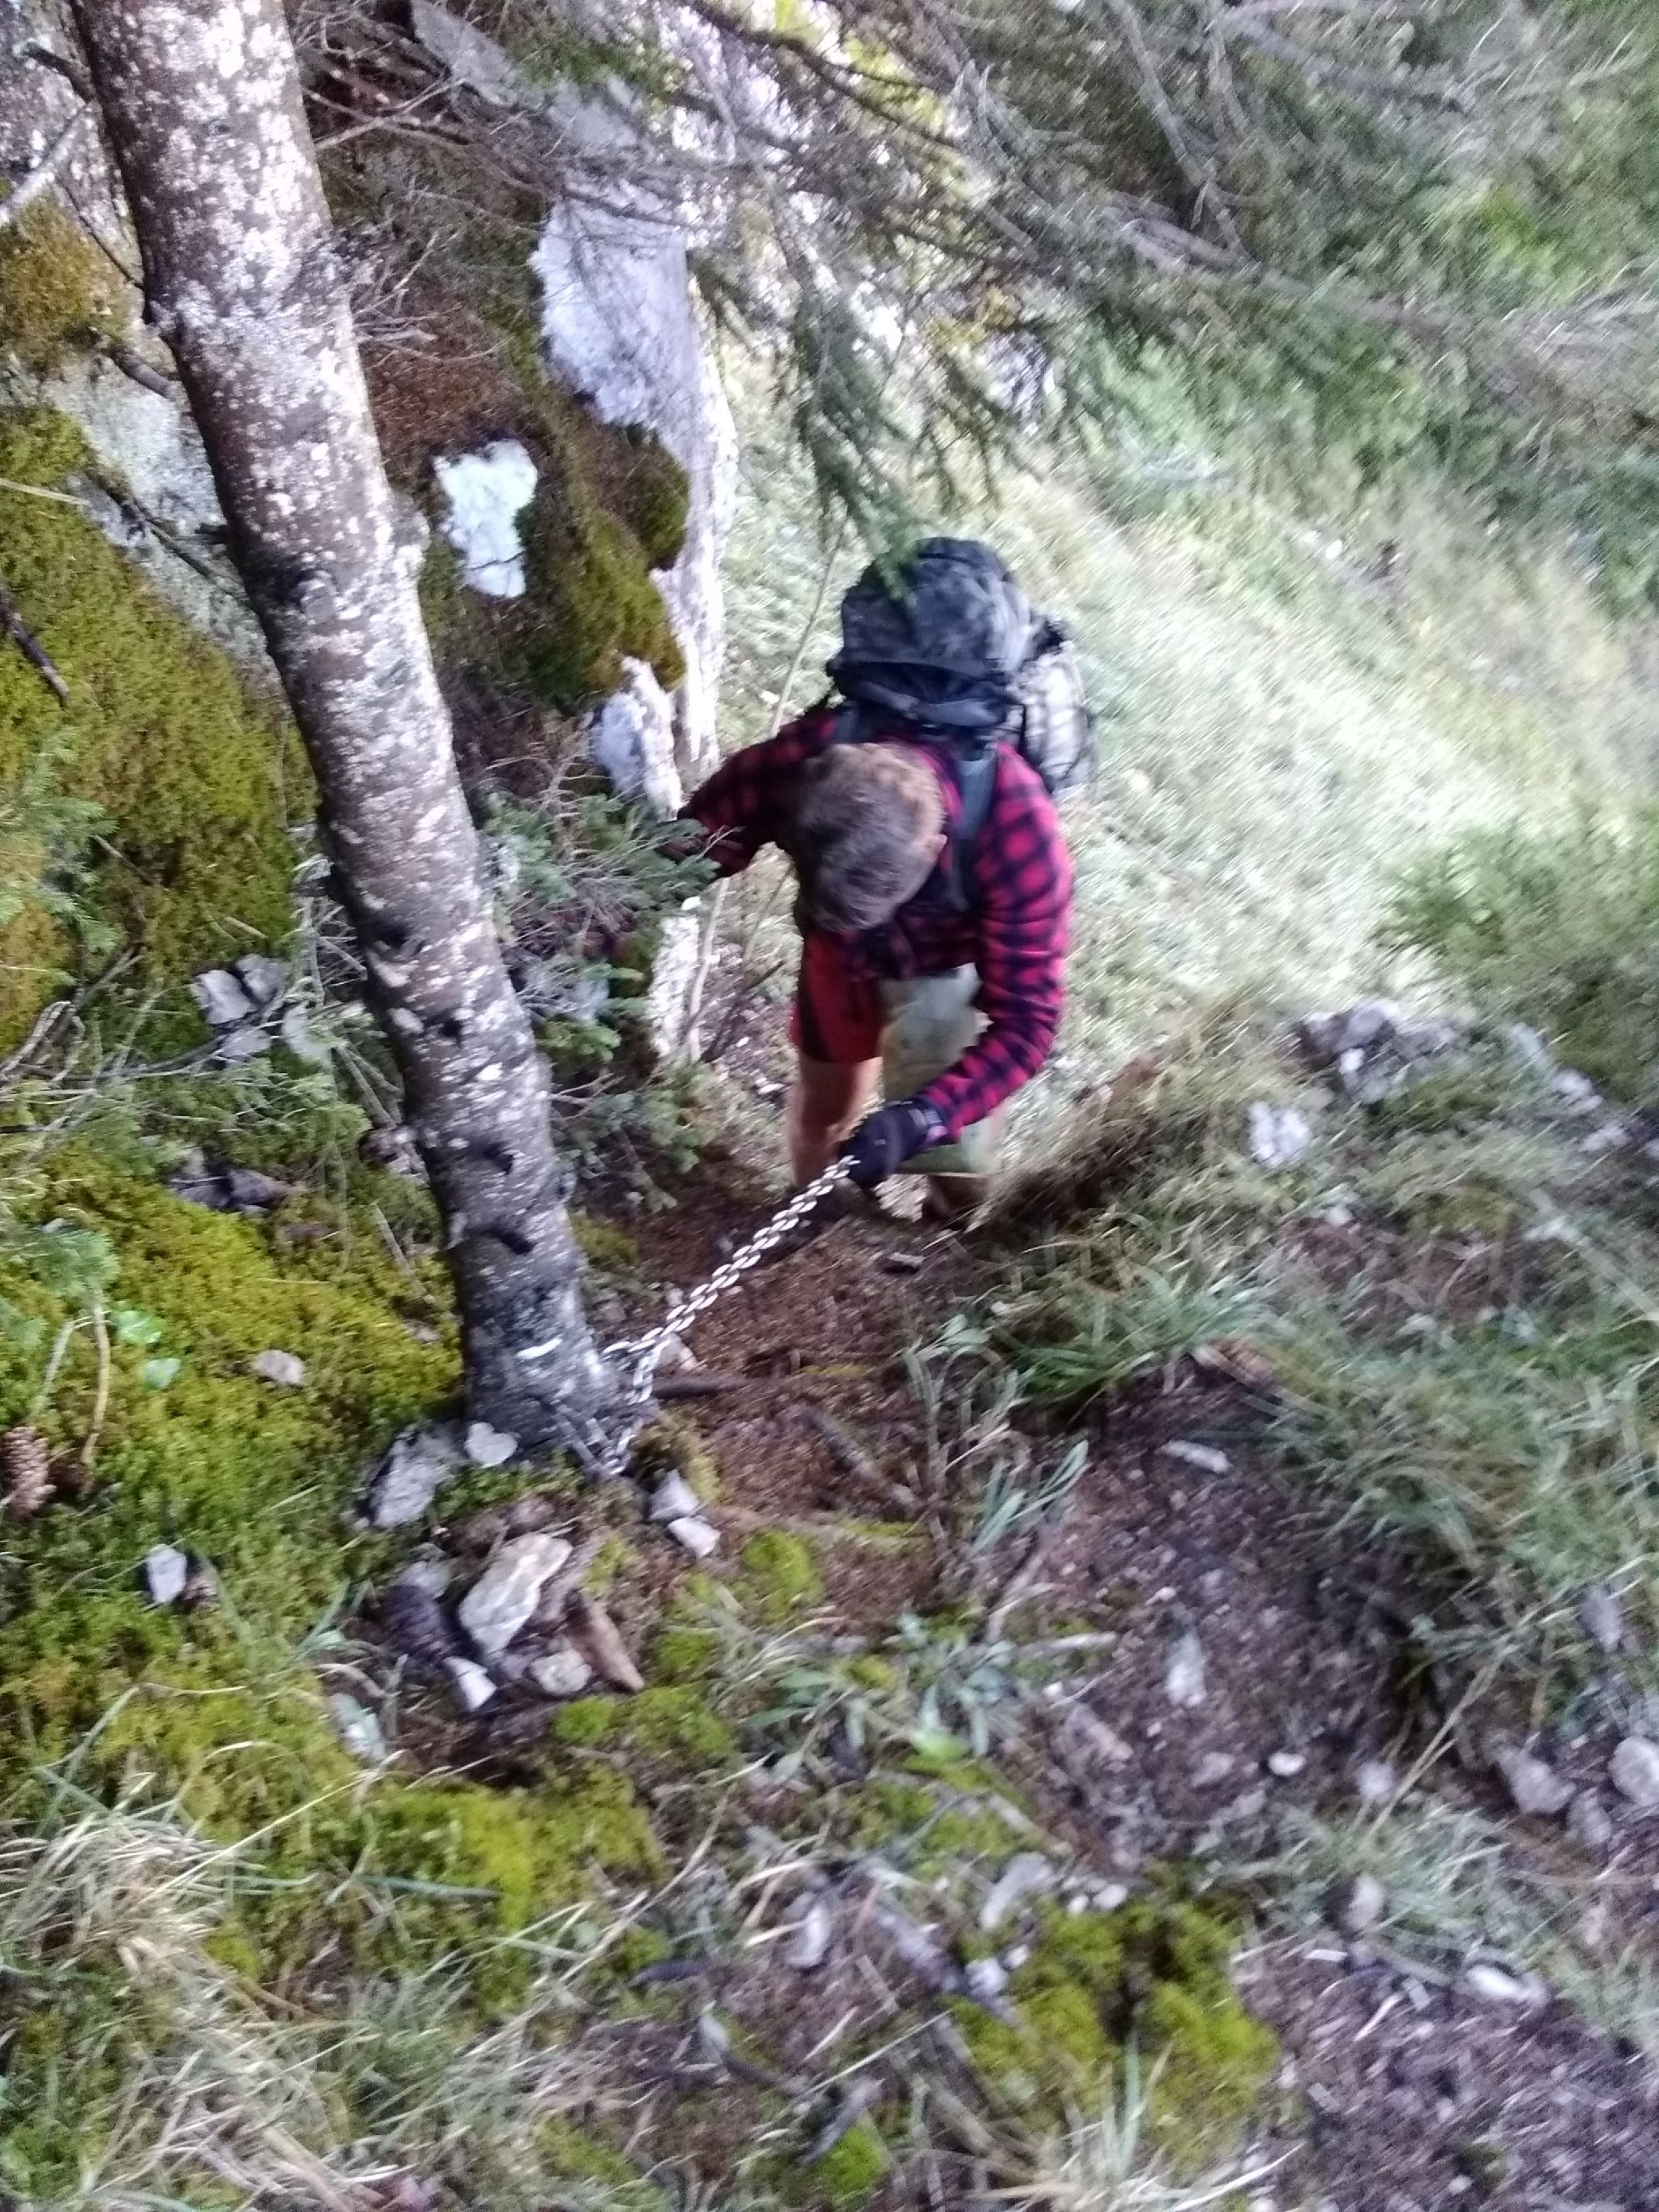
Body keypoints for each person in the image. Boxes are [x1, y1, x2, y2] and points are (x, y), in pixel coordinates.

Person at [682, 539, 1077, 1213]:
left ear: (935, 850)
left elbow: (1027, 1026)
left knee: (958, 1163)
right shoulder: (803, 757)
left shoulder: (1019, 831)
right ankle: (810, 1216)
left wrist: (922, 1117)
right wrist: (574, 930)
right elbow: (686, 848)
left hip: (945, 967)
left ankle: (945, 1229)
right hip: (838, 961)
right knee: (823, 1116)